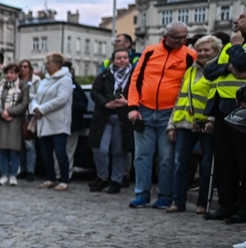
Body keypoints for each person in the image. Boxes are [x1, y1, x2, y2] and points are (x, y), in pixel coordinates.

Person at [127, 22, 196, 209]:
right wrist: (133, 106)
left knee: (167, 158)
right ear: (166, 36)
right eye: (178, 38)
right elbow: (136, 79)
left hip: (170, 113)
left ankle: (165, 196)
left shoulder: (190, 56)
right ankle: (141, 194)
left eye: (185, 37)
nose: (182, 41)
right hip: (144, 111)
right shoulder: (149, 52)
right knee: (142, 156)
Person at [166, 36, 220, 213]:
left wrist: (212, 120)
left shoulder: (219, 70)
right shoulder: (190, 71)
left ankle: (202, 204)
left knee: (205, 165)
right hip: (185, 123)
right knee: (180, 163)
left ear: (216, 52)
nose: (202, 53)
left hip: (206, 124)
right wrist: (172, 124)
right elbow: (180, 98)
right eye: (200, 50)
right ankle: (178, 201)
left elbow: (217, 97)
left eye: (207, 50)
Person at [203, 11, 246, 223]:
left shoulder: (235, 44)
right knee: (223, 161)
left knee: (243, 162)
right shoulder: (230, 46)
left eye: (242, 17)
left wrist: (237, 47)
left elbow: (243, 65)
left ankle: (243, 209)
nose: (236, 20)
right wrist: (228, 66)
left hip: (242, 112)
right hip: (221, 110)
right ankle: (226, 206)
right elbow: (209, 72)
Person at [88, 50, 134, 195]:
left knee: (119, 150)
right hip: (104, 116)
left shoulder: (134, 76)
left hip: (124, 118)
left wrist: (127, 102)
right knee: (100, 149)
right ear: (113, 60)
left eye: (125, 58)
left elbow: (142, 94)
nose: (122, 60)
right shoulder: (104, 75)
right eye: (119, 58)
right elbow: (94, 92)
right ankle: (102, 177)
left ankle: (116, 180)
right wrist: (105, 103)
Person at [30, 53, 74, 191]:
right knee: (46, 152)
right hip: (44, 122)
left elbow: (61, 99)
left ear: (57, 65)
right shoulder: (45, 80)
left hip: (58, 122)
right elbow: (35, 97)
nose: (46, 66)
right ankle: (51, 178)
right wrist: (35, 107)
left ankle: (64, 180)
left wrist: (42, 109)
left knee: (60, 152)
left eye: (48, 63)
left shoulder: (65, 80)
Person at [0, 63, 30, 186]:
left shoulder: (23, 86)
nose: (8, 75)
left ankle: (13, 175)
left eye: (12, 73)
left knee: (14, 150)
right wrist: (2, 112)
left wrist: (10, 111)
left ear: (17, 74)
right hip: (0, 120)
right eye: (7, 73)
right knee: (2, 150)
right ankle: (4, 174)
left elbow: (24, 103)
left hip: (15, 121)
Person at [18, 60, 40, 181]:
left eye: (25, 67)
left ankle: (31, 170)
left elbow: (39, 95)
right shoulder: (17, 80)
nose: (23, 69)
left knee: (29, 144)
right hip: (18, 113)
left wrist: (25, 95)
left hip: (30, 114)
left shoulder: (36, 80)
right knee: (20, 144)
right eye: (21, 67)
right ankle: (23, 169)